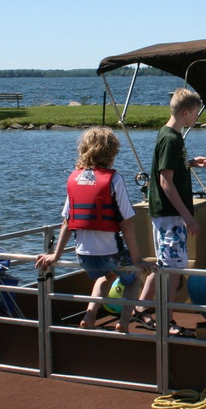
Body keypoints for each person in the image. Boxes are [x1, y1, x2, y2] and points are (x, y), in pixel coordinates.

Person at [36, 127, 150, 332]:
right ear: (111, 154)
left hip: (84, 257)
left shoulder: (74, 179)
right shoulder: (114, 180)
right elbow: (127, 223)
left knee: (105, 277)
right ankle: (124, 322)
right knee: (133, 280)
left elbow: (67, 222)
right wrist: (137, 260)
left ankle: (89, 315)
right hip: (111, 254)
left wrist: (55, 255)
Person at [137, 88, 206, 325]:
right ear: (186, 112)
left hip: (165, 215)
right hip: (170, 217)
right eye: (196, 114)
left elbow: (170, 168)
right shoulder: (170, 139)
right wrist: (187, 216)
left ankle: (140, 307)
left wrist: (190, 163)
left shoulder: (169, 135)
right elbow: (164, 181)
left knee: (163, 265)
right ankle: (167, 320)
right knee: (173, 273)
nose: (197, 118)